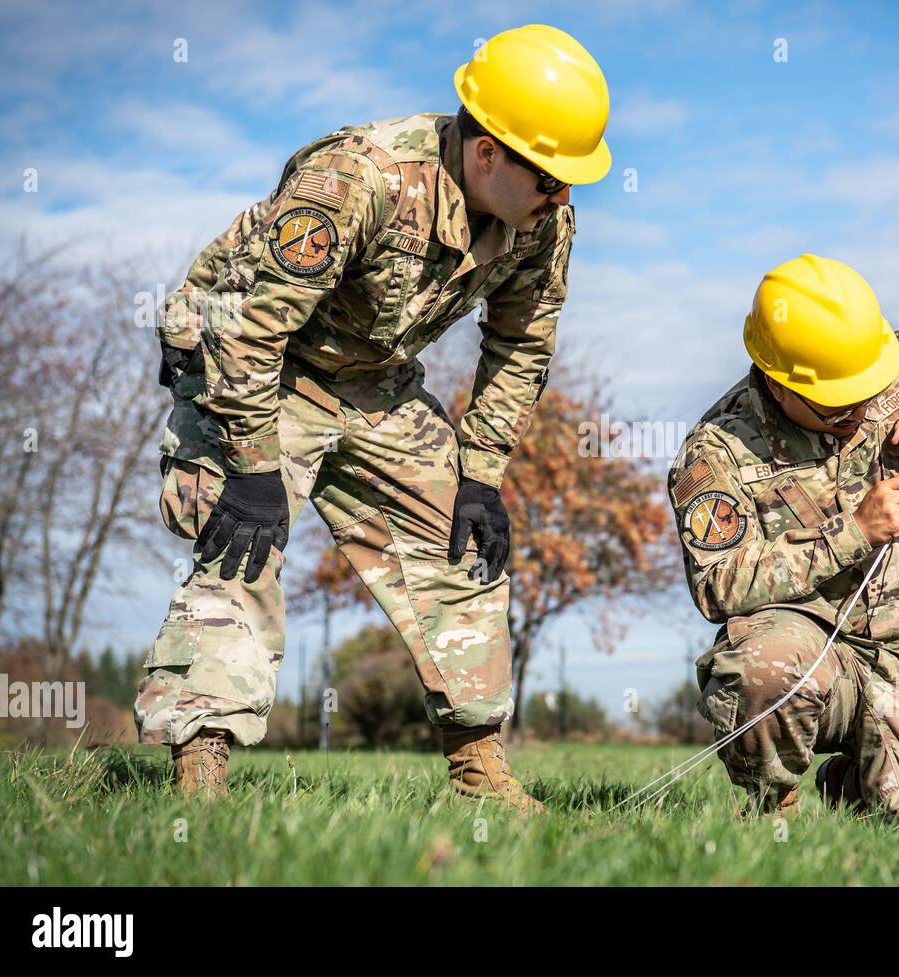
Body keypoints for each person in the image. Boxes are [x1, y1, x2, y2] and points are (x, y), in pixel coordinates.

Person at [135, 25, 611, 813]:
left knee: (464, 541)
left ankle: (479, 773)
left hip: (372, 378)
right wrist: (253, 468)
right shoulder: (359, 179)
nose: (563, 198)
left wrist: (481, 475)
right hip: (256, 359)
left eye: (569, 183)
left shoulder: (542, 222)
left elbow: (522, 346)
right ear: (487, 151)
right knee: (243, 537)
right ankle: (201, 772)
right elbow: (248, 329)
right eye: (551, 178)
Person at [668, 254, 899, 830]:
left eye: (866, 393)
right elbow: (720, 586)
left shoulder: (892, 362)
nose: (859, 408)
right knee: (763, 668)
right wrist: (854, 532)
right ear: (776, 379)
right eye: (837, 403)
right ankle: (774, 806)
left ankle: (861, 780)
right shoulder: (715, 452)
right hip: (814, 658)